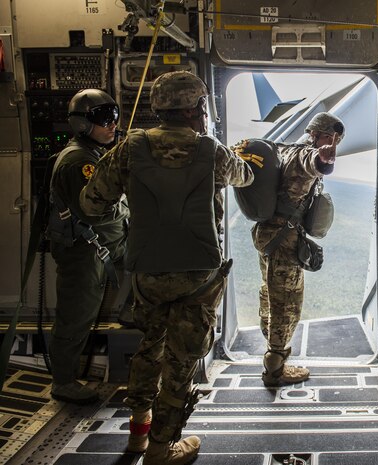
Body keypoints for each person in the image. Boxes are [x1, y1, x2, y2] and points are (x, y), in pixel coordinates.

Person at [80, 71, 253, 465]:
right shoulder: (213, 150)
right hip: (198, 277)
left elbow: (92, 204)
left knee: (150, 349)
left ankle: (139, 435)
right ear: (196, 110)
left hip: (148, 274)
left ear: (159, 108)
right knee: (180, 364)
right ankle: (161, 450)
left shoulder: (129, 148)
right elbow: (246, 176)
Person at [250, 112, 344, 387]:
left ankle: (272, 352)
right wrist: (324, 160)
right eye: (334, 137)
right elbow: (313, 163)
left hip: (268, 235)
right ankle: (275, 368)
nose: (334, 142)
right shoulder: (305, 154)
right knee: (286, 302)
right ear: (327, 135)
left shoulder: (283, 149)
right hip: (284, 240)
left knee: (270, 294)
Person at [47, 89, 128, 405]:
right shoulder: (80, 161)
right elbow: (97, 213)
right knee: (75, 316)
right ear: (82, 124)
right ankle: (63, 382)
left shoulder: (93, 155)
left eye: (115, 118)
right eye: (105, 120)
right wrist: (128, 210)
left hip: (98, 247)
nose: (113, 126)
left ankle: (133, 312)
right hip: (84, 251)